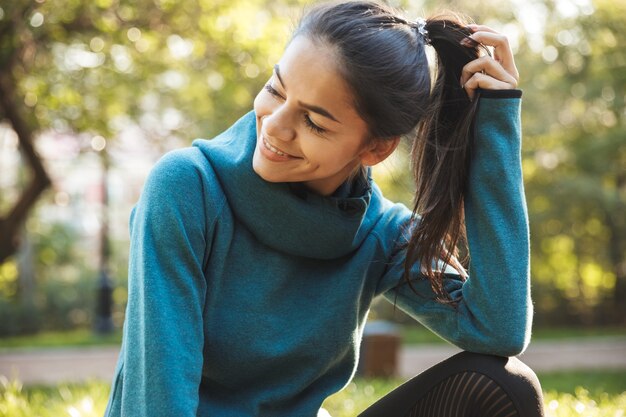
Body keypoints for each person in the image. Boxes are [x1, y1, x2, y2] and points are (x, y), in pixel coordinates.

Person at [104, 1, 544, 416]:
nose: (274, 126)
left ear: (375, 148)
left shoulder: (383, 233)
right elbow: (156, 396)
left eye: (314, 121)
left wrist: (496, 126)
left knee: (505, 387)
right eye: (275, 89)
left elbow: (497, 328)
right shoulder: (187, 187)